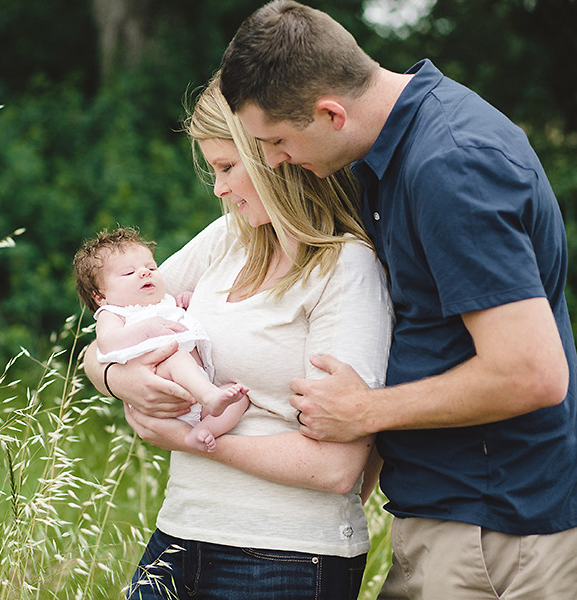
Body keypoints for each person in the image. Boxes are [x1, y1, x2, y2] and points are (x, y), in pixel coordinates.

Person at [218, 2, 577, 599]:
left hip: (496, 531)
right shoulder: (391, 152)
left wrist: (366, 413)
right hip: (453, 514)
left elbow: (531, 373)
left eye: (277, 140)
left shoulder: (452, 165)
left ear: (330, 112)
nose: (276, 160)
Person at [84, 73, 393, 599]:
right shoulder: (231, 237)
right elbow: (112, 320)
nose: (220, 189)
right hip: (181, 533)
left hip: (286, 555)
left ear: (276, 157)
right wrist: (116, 377)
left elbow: (338, 468)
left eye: (227, 167)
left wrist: (191, 441)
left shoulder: (346, 269)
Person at [73, 226, 250, 452]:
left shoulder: (164, 301)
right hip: (161, 378)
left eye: (151, 267)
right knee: (176, 356)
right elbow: (107, 343)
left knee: (240, 397)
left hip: (194, 388)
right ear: (101, 296)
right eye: (128, 273)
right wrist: (146, 329)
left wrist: (189, 301)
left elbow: (178, 315)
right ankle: (209, 397)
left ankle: (201, 432)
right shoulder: (113, 314)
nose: (145, 273)